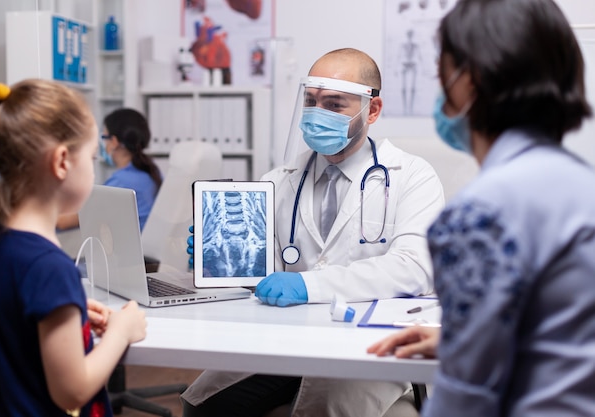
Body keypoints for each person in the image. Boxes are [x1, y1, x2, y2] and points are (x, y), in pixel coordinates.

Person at [182, 48, 445, 417]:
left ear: (372, 110)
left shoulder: (412, 177)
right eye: (311, 102)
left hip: (367, 344)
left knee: (324, 409)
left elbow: (414, 268)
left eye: (334, 105)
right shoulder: (280, 179)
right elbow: (265, 270)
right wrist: (226, 259)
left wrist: (309, 285)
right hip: (286, 338)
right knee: (204, 404)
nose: (317, 114)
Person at [368, 0, 595, 415]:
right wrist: (464, 337)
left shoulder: (478, 215)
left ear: (469, 80)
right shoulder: (584, 186)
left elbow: (465, 402)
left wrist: (464, 355)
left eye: (442, 69)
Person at [0, 79, 147, 416]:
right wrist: (121, 333)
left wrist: (71, 309)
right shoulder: (49, 268)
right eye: (92, 157)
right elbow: (72, 391)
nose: (95, 170)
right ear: (63, 161)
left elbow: (11, 319)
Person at [57, 108, 162, 231]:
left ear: (114, 141)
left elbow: (64, 222)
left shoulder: (122, 182)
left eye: (104, 137)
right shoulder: (151, 172)